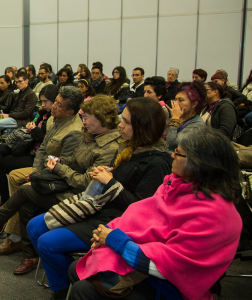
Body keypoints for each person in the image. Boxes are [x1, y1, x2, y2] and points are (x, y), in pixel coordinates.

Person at [67, 127, 241, 300]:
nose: (172, 155)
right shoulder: (177, 185)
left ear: (199, 163)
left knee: (82, 290)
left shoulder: (216, 215)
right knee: (76, 269)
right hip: (144, 260)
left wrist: (113, 239)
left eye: (178, 153)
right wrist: (107, 230)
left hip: (170, 285)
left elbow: (172, 266)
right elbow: (141, 214)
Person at [27, 97, 172, 298]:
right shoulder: (128, 147)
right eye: (123, 119)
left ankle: (67, 286)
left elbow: (141, 209)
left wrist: (109, 181)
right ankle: (67, 280)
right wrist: (104, 175)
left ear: (143, 126)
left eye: (127, 122)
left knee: (47, 243)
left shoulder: (157, 162)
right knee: (34, 227)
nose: (121, 124)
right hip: (97, 206)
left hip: (115, 221)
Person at [0, 95, 122, 275]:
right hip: (67, 184)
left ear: (102, 118)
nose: (84, 121)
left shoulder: (109, 147)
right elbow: (71, 158)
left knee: (25, 190)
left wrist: (59, 168)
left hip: (82, 197)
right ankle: (28, 254)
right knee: (26, 202)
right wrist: (59, 162)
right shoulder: (89, 134)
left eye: (87, 117)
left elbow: (88, 184)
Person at [0, 85, 78, 210]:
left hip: (31, 148)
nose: (44, 105)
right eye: (52, 102)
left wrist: (32, 129)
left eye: (46, 101)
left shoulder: (57, 120)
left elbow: (42, 141)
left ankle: (4, 200)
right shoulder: (43, 114)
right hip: (27, 146)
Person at [166, 81, 206, 151]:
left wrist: (175, 119)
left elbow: (171, 144)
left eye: (181, 100)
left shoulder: (197, 125)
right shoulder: (177, 116)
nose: (176, 103)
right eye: (175, 100)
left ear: (194, 104)